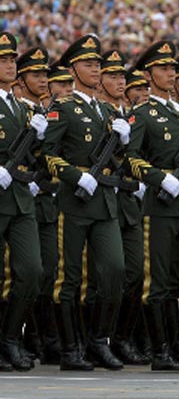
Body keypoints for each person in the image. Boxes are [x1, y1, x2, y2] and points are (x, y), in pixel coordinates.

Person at [124, 42, 179, 371]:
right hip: (161, 204)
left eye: (172, 69)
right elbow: (130, 158)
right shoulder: (143, 114)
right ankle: (163, 349)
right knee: (163, 281)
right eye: (163, 69)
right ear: (148, 75)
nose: (170, 73)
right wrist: (156, 178)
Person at [41, 35, 128, 371]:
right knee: (70, 278)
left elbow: (117, 159)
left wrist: (121, 142)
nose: (95, 70)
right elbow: (46, 155)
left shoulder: (106, 111)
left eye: (98, 65)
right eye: (89, 65)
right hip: (74, 201)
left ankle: (97, 339)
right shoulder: (63, 109)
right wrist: (75, 177)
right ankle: (70, 349)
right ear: (73, 69)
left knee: (114, 271)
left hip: (104, 200)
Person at [96, 48, 149, 366]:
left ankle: (122, 337)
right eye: (113, 77)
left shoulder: (127, 117)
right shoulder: (97, 113)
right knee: (105, 275)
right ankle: (98, 338)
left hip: (128, 202)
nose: (120, 82)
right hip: (101, 201)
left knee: (134, 275)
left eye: (122, 77)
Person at [15, 46, 61, 366]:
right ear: (21, 80)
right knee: (22, 272)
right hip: (20, 199)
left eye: (45, 73)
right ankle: (26, 338)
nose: (43, 79)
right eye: (36, 74)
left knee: (47, 272)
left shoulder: (48, 114)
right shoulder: (20, 110)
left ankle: (38, 335)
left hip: (46, 202)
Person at [0, 33, 44, 371]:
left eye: (12, 60)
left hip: (19, 198)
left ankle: (10, 338)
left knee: (31, 270)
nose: (10, 65)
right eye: (4, 60)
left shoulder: (19, 106)